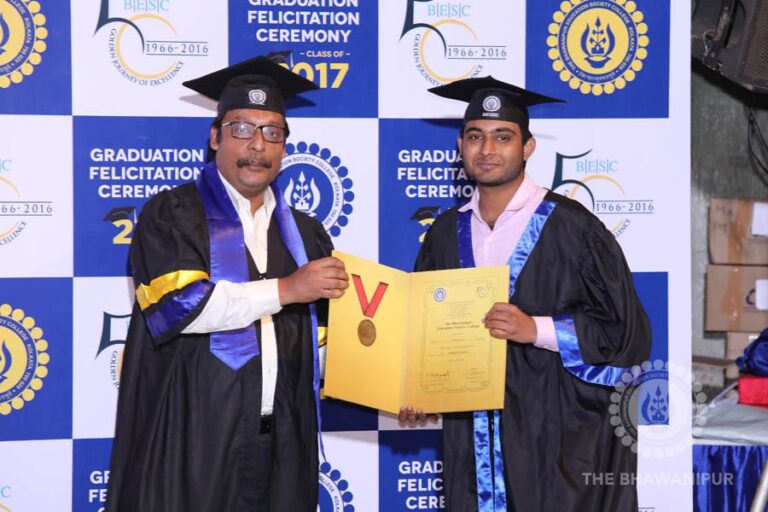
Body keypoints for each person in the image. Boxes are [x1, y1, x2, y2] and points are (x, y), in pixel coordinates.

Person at [106, 56, 349, 511]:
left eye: (272, 132)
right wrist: (287, 289)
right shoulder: (173, 215)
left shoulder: (305, 233)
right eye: (242, 129)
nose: (258, 145)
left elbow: (324, 338)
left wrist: (400, 384)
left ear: (284, 147)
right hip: (194, 435)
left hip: (282, 439)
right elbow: (181, 307)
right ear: (215, 137)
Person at [403, 76, 652, 511]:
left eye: (503, 137)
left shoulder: (574, 228)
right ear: (461, 146)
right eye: (475, 136)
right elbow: (424, 333)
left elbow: (626, 334)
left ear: (527, 147)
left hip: (554, 442)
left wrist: (534, 329)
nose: (487, 149)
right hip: (472, 440)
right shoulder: (443, 233)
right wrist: (416, 390)